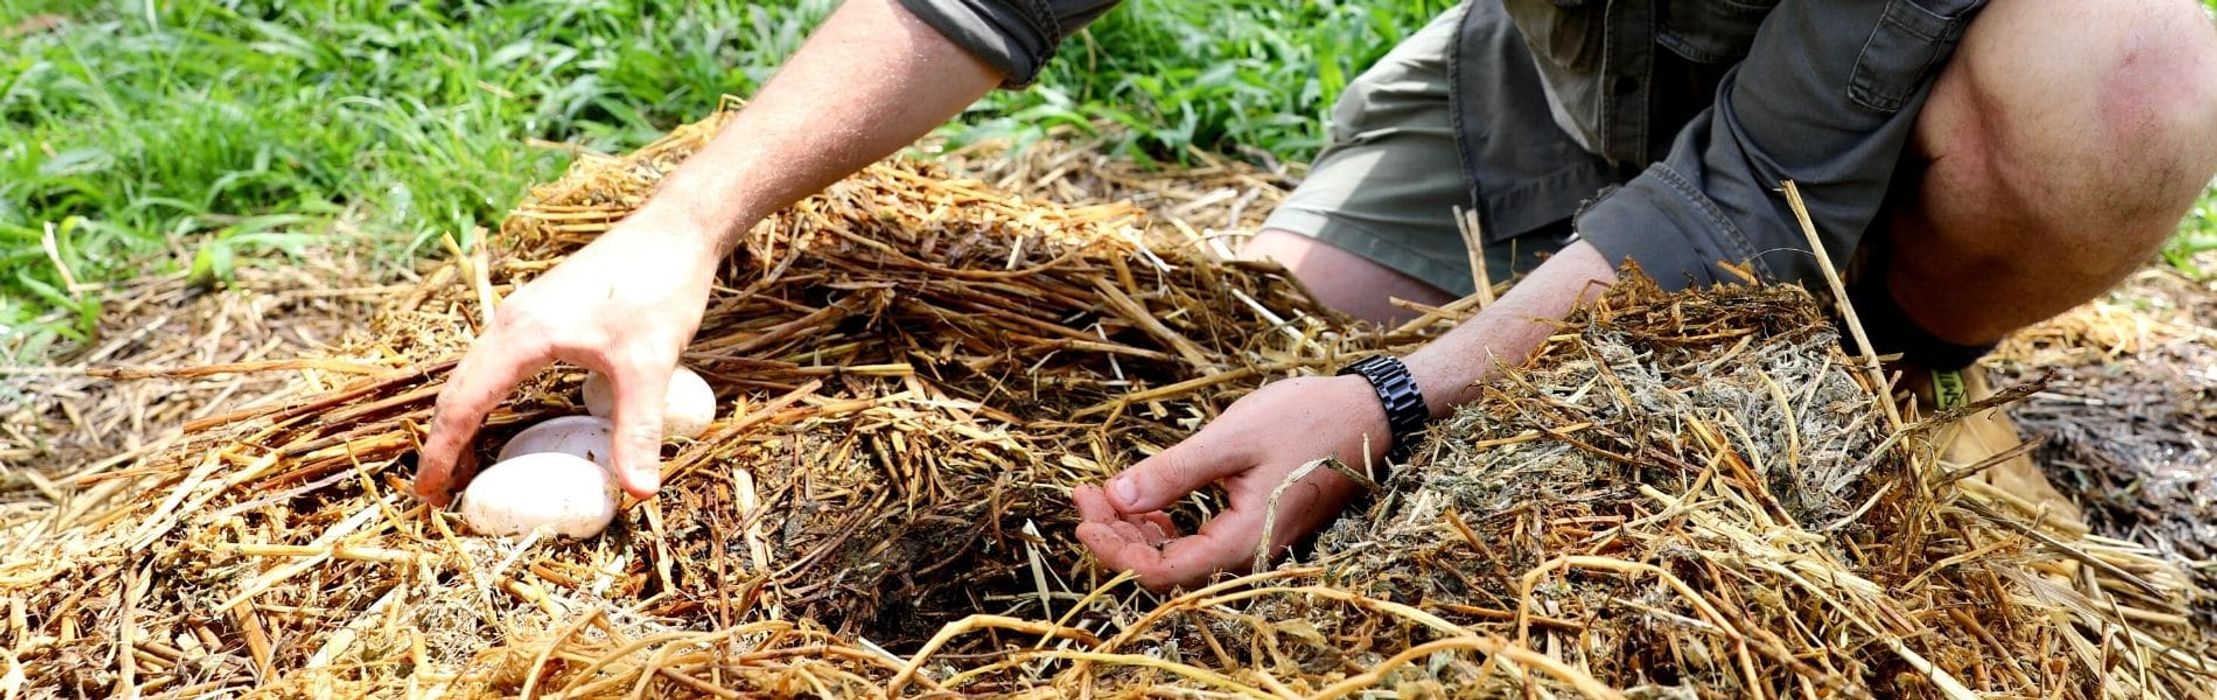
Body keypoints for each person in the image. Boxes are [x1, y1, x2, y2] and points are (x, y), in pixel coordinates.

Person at [414, 0, 2217, 590]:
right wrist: (683, 224)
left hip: (1912, 103)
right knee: (1242, 351)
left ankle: (1903, 362)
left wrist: (1402, 402)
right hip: (1572, 75)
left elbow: (1758, 184)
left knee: (2144, 74)